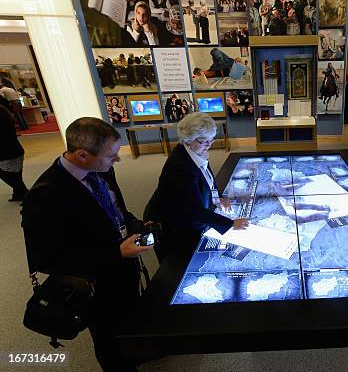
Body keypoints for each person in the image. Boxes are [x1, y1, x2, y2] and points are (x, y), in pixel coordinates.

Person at [21, 117, 153, 371]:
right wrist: (115, 253)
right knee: (108, 336)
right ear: (82, 155)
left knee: (130, 317)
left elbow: (117, 211)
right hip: (94, 283)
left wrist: (136, 226)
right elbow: (48, 259)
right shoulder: (45, 196)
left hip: (124, 268)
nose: (118, 160)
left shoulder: (101, 169)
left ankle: (135, 353)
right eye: (111, 155)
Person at [144, 113, 249, 262]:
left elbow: (206, 176)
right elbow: (193, 210)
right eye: (204, 142)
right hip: (169, 225)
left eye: (211, 140)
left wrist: (219, 196)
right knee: (178, 261)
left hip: (183, 214)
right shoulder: (180, 168)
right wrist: (231, 224)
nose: (209, 146)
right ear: (188, 139)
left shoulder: (194, 151)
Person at [0, 104, 28, 201]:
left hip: (7, 154)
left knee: (14, 179)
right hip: (15, 150)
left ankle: (25, 194)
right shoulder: (4, 112)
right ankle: (18, 194)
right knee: (16, 176)